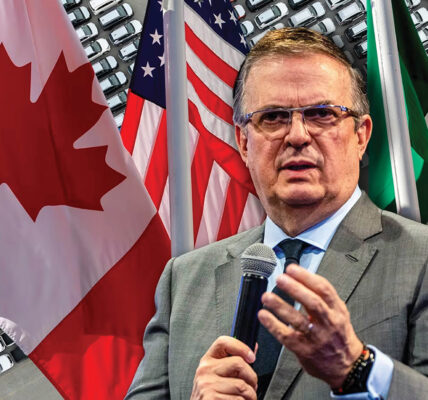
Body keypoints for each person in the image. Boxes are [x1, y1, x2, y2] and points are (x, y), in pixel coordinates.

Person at [125, 27, 428, 399]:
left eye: (321, 114)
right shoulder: (183, 281)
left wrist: (358, 369)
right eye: (273, 117)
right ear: (243, 142)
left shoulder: (421, 258)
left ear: (361, 136)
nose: (297, 135)